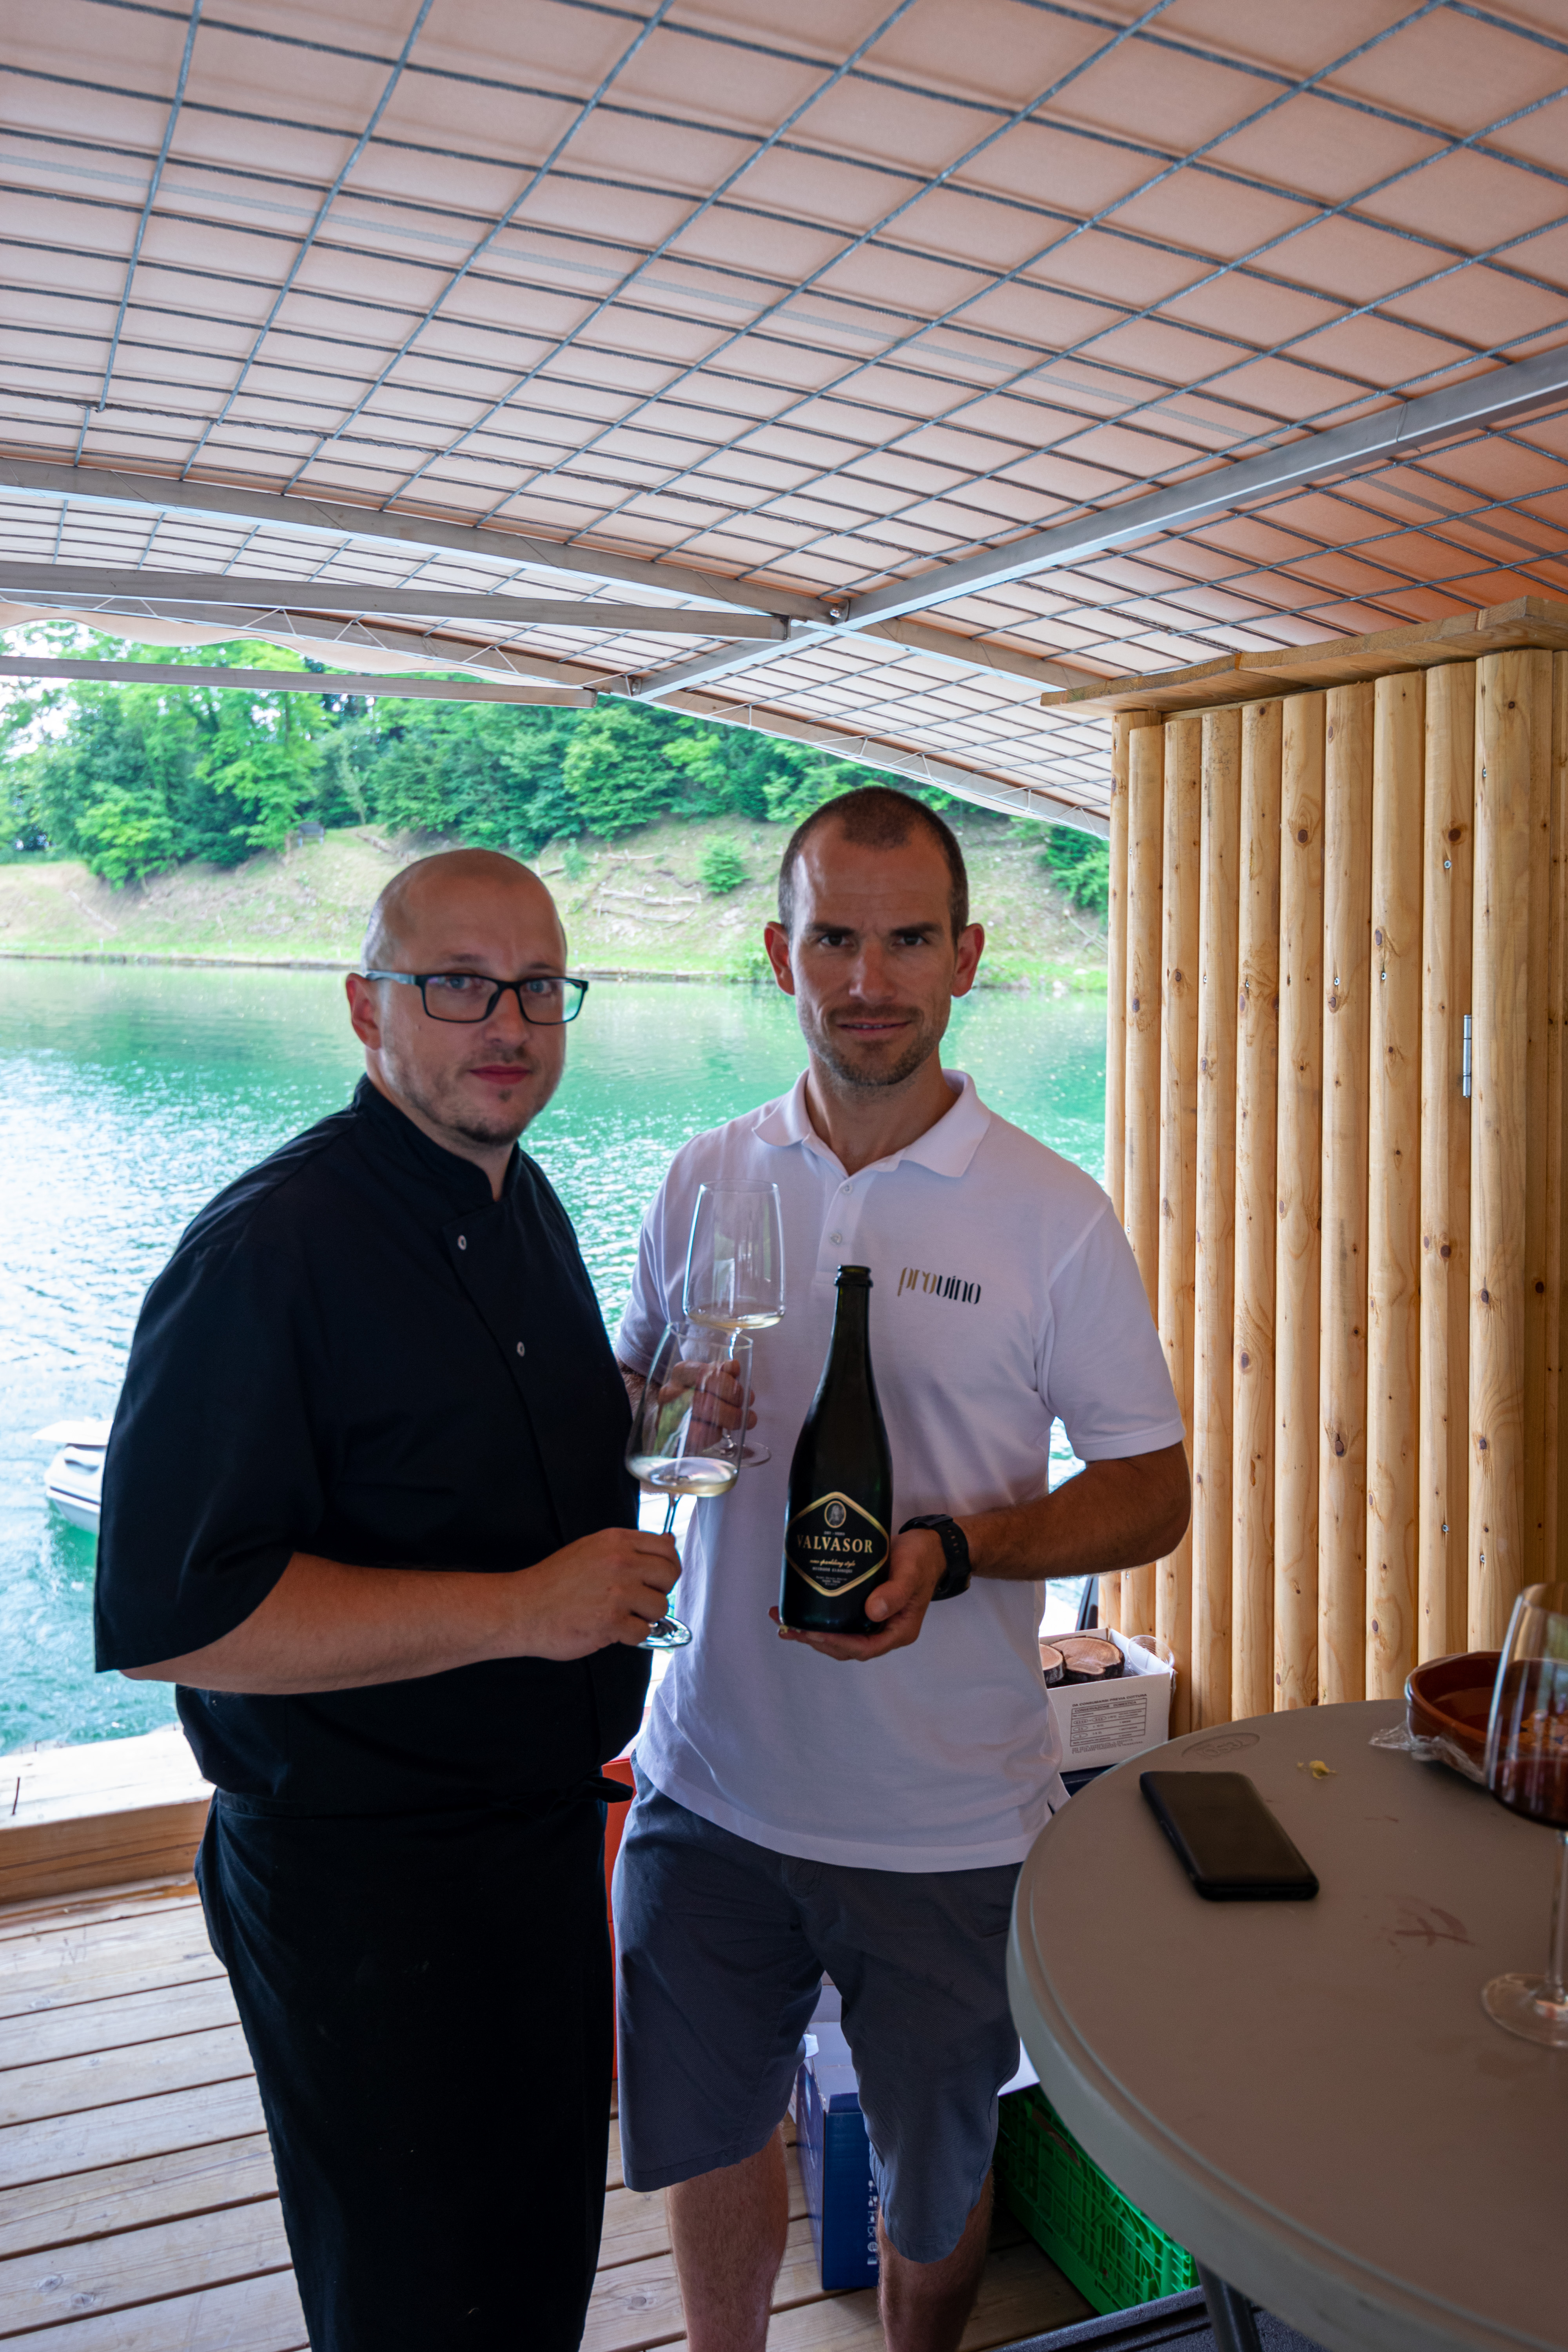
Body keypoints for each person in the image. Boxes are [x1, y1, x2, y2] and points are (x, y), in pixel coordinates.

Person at [612, 787, 1190, 2352]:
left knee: (935, 2186)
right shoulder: (705, 1174)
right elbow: (633, 1408)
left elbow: (1152, 1493)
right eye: (833, 941)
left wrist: (960, 1550)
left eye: (908, 941)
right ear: (779, 954)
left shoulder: (1052, 1215)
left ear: (966, 957)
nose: (868, 980)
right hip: (708, 1784)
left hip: (946, 1822)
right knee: (714, 2134)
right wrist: (662, 1415)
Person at [94, 849, 679, 2352]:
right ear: (368, 1008)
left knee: (535, 2271)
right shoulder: (268, 1250)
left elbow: (465, 1447)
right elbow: (178, 1617)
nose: (509, 1025)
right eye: (459, 985)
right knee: (415, 2306)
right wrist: (522, 1612)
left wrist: (641, 1418)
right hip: (363, 1889)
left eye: (539, 988)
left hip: (538, 1846)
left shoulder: (523, 1196)